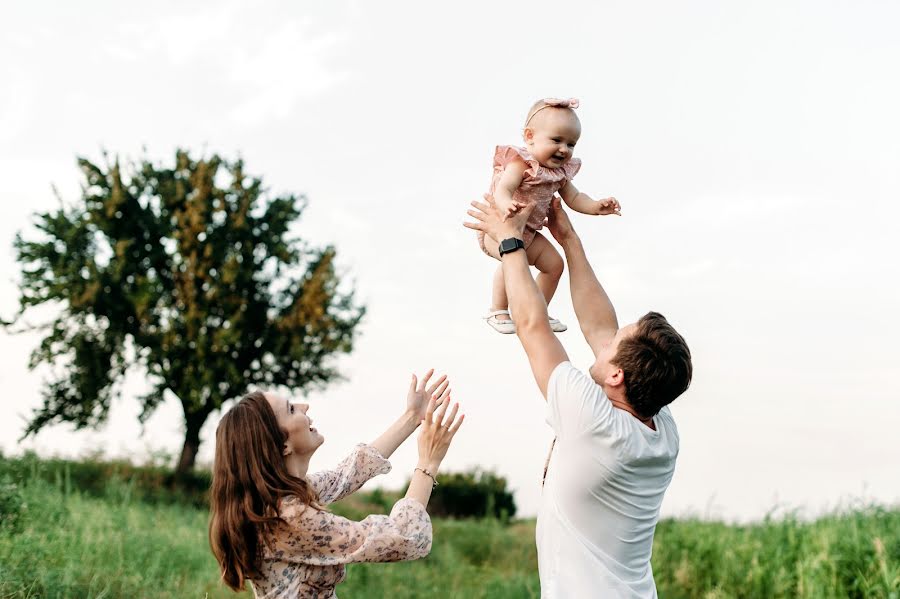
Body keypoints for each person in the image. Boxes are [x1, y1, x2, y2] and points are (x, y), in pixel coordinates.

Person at [464, 198, 692, 598]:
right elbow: (600, 326)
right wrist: (568, 238)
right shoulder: (661, 426)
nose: (604, 340)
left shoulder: (592, 419)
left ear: (617, 375)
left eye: (615, 343)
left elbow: (533, 326)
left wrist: (510, 243)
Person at [209, 370, 464, 598]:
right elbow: (405, 537)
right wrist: (428, 463)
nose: (304, 406)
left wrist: (411, 417)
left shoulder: (285, 497)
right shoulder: (288, 517)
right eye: (290, 410)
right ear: (282, 444)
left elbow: (346, 475)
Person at [476, 97, 621, 335]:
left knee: (554, 265)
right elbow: (503, 189)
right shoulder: (522, 163)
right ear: (530, 136)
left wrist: (596, 206)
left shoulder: (559, 173)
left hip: (529, 232)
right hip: (499, 228)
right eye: (556, 140)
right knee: (514, 257)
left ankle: (538, 311)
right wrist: (507, 204)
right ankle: (498, 309)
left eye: (571, 144)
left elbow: (574, 198)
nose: (564, 149)